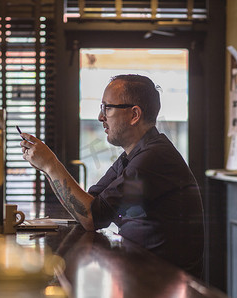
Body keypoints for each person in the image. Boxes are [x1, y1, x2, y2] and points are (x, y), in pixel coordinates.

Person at [20, 74, 204, 277]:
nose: (100, 117)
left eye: (107, 108)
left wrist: (51, 164)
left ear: (134, 115)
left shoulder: (153, 158)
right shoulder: (132, 156)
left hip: (163, 281)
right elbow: (89, 205)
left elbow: (92, 217)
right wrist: (46, 167)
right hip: (140, 271)